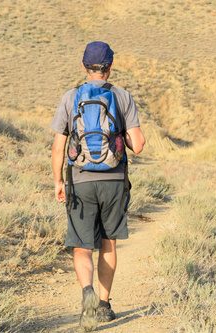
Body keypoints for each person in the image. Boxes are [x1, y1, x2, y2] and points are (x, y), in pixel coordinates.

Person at [50, 41, 145, 331]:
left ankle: (87, 293)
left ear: (84, 66)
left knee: (82, 246)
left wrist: (58, 181)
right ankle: (104, 306)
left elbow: (58, 147)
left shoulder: (71, 97)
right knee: (108, 243)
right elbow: (138, 146)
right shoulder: (122, 96)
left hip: (80, 181)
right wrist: (123, 139)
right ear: (110, 66)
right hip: (114, 180)